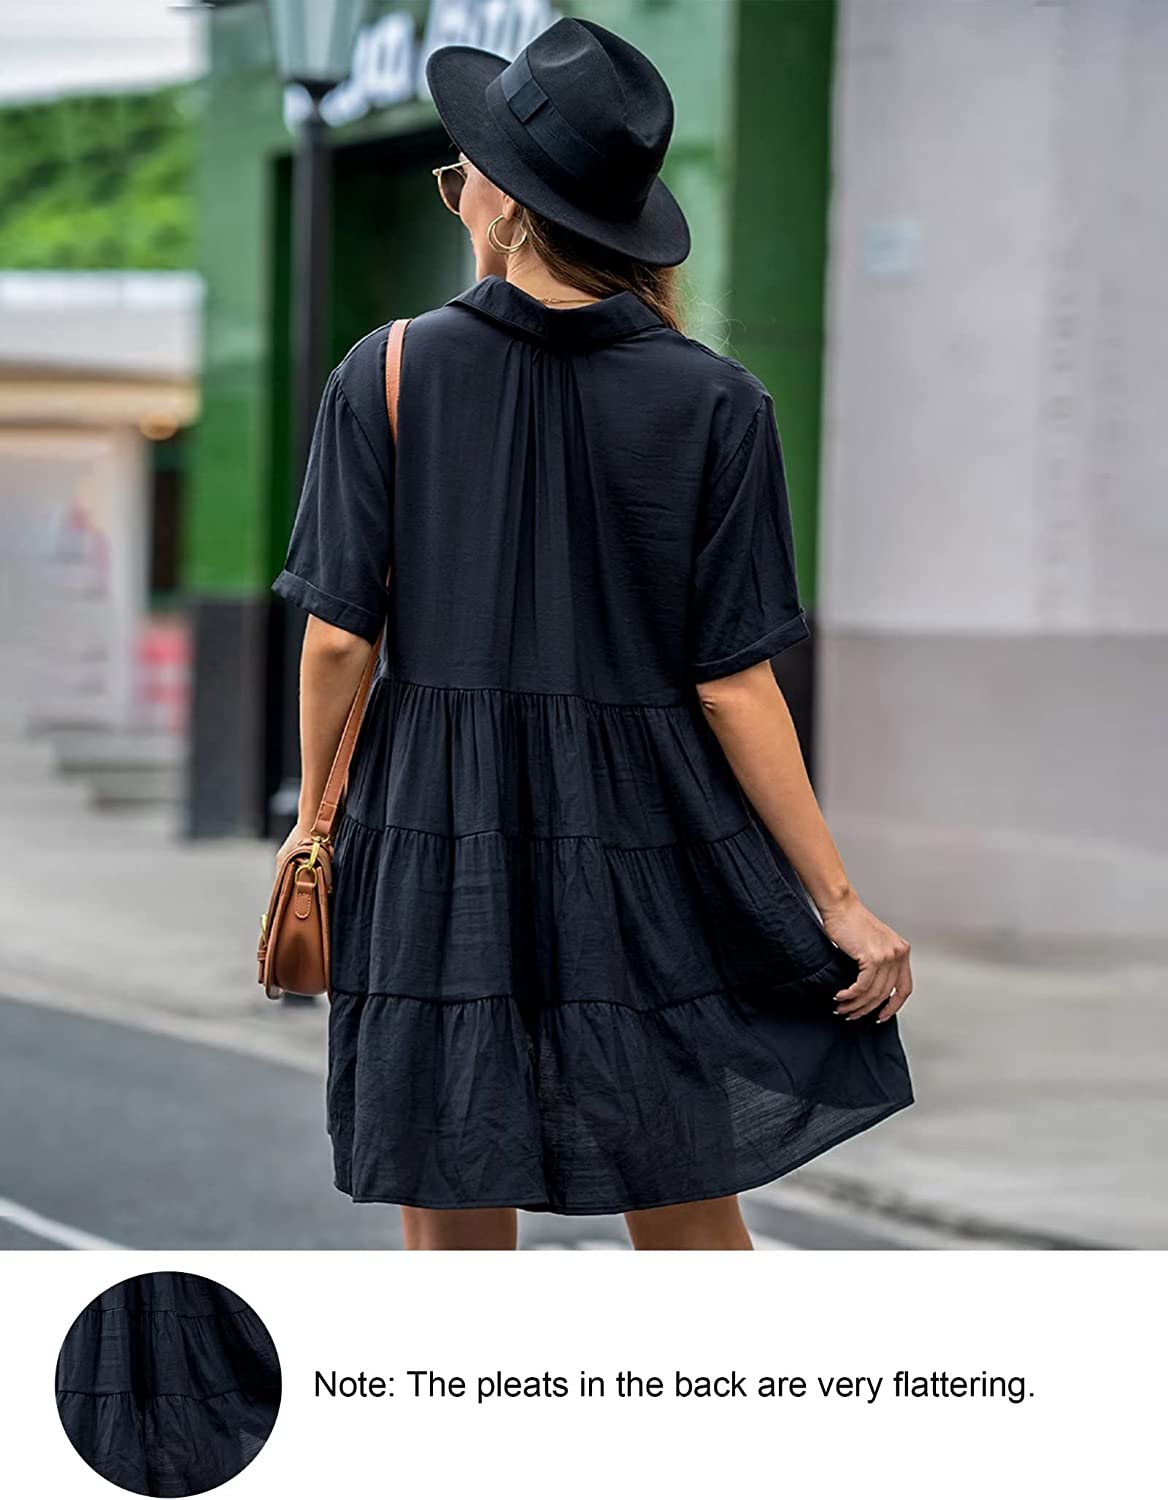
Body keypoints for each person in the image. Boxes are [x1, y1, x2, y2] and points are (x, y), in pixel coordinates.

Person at [270, 17, 914, 1252]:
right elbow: (734, 684)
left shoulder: (387, 370)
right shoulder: (717, 399)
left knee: (452, 1212)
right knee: (685, 1206)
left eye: (461, 175)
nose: (457, 193)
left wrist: (314, 823)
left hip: (435, 824)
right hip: (645, 833)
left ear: (509, 212)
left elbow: (339, 641)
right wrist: (835, 899)